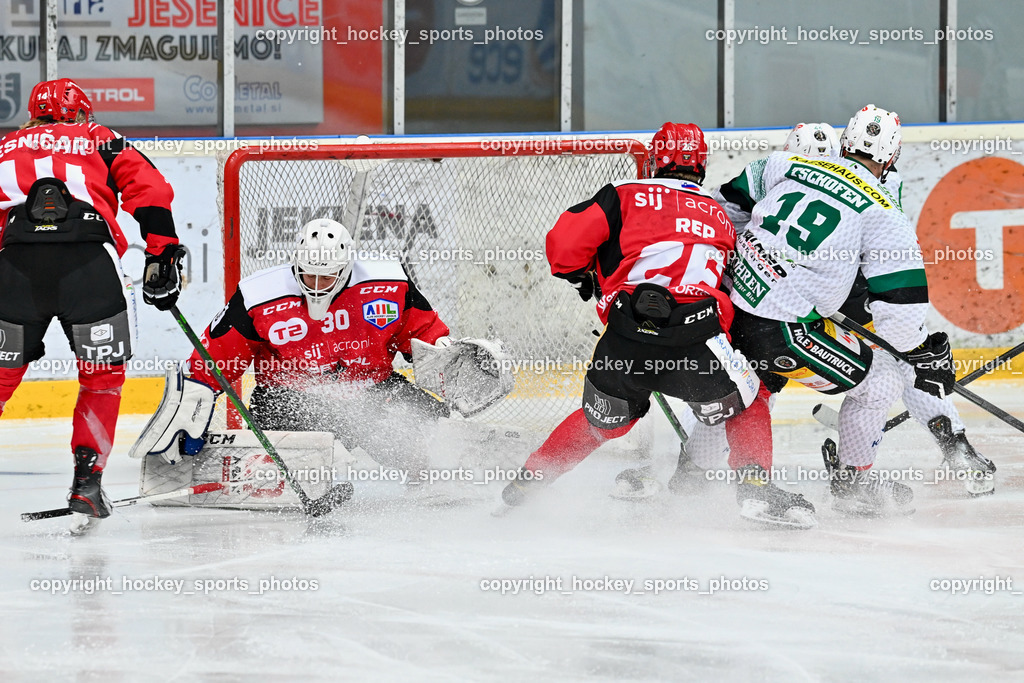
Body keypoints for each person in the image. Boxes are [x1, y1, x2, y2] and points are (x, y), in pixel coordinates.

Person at [498, 122, 816, 527]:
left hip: (625, 342)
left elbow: (563, 247)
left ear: (653, 160)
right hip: (697, 343)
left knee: (602, 422)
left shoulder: (623, 194)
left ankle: (531, 480)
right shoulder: (719, 215)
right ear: (701, 166)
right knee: (747, 402)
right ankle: (755, 491)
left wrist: (581, 274)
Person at [714, 105, 956, 516]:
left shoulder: (783, 164)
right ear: (892, 158)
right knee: (881, 383)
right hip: (781, 327)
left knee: (750, 386)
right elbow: (900, 317)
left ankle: (698, 477)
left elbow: (721, 210)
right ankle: (854, 484)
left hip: (724, 306)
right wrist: (924, 352)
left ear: (844, 144)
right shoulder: (884, 212)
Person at [132, 217, 471, 482]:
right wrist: (193, 401)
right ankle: (305, 472)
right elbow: (216, 359)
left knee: (432, 448)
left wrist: (447, 355)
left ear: (347, 268)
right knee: (308, 468)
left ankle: (434, 473)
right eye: (309, 277)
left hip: (371, 390)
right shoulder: (259, 297)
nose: (317, 285)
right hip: (289, 397)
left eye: (328, 278)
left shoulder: (388, 284)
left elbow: (423, 336)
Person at [0, 79, 184, 527]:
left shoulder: (4, 145)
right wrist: (162, 253)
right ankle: (87, 484)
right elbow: (151, 191)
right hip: (90, 269)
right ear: (81, 112)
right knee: (102, 379)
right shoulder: (101, 137)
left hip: (15, 268)